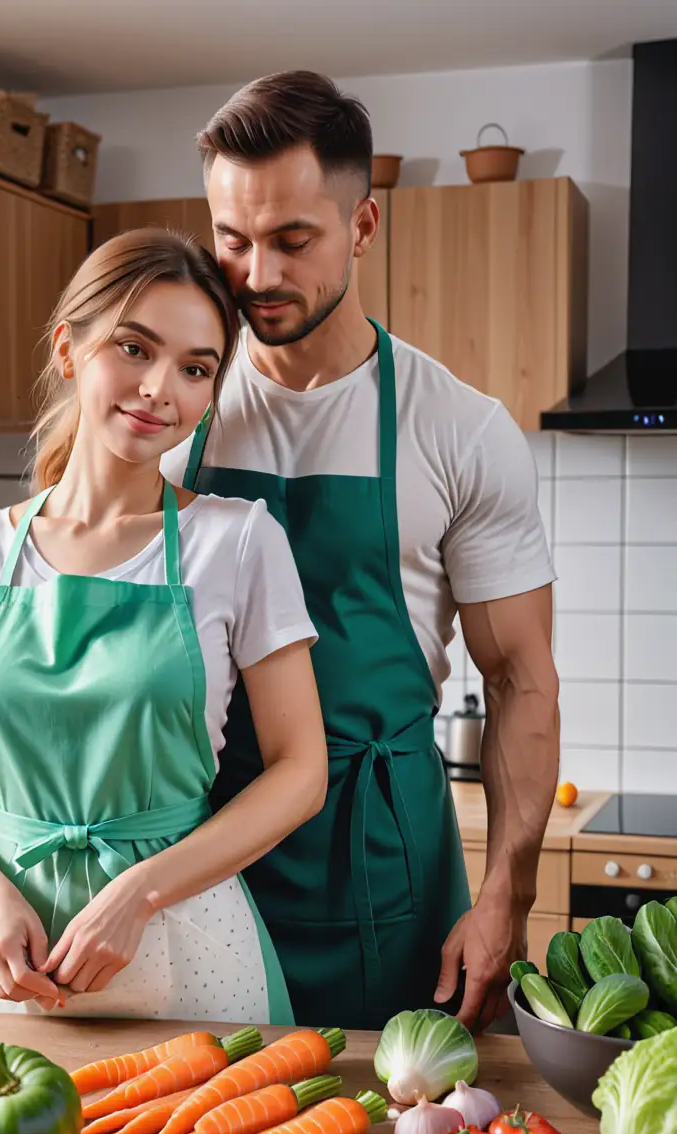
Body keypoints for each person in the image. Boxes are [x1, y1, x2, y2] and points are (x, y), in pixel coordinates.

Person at [158, 71, 560, 1033]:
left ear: (364, 226)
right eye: (232, 241)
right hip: (207, 858)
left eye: (294, 240)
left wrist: (508, 891)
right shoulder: (173, 425)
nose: (257, 273)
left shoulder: (458, 428)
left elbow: (520, 681)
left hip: (389, 860)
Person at [0, 229, 327, 1022]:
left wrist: (140, 891)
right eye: (135, 348)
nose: (160, 388)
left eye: (195, 368)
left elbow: (301, 771)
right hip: (7, 955)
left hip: (188, 934)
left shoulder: (237, 542)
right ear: (69, 350)